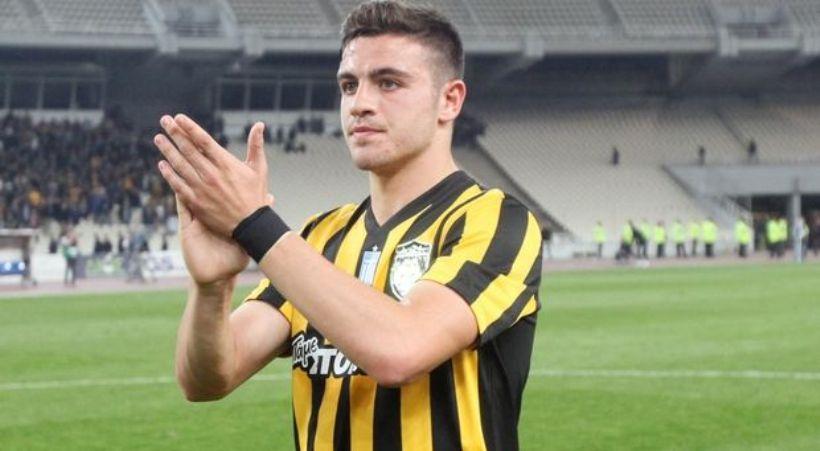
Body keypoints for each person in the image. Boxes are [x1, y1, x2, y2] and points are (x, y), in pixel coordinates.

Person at [153, 2, 542, 450]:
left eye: (389, 83)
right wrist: (212, 288)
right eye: (349, 85)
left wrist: (253, 225)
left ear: (449, 100)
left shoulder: (495, 220)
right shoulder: (320, 238)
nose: (360, 104)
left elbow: (401, 351)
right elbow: (207, 380)